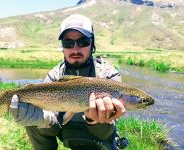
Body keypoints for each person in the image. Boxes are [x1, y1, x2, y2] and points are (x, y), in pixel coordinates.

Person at [9, 14, 126, 150]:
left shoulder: (109, 75)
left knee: (104, 128)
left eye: (83, 42)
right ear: (62, 47)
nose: (75, 49)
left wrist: (94, 119)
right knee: (33, 122)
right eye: (68, 43)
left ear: (92, 44)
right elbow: (53, 123)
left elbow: (106, 132)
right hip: (65, 130)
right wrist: (42, 119)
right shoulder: (54, 76)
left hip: (100, 136)